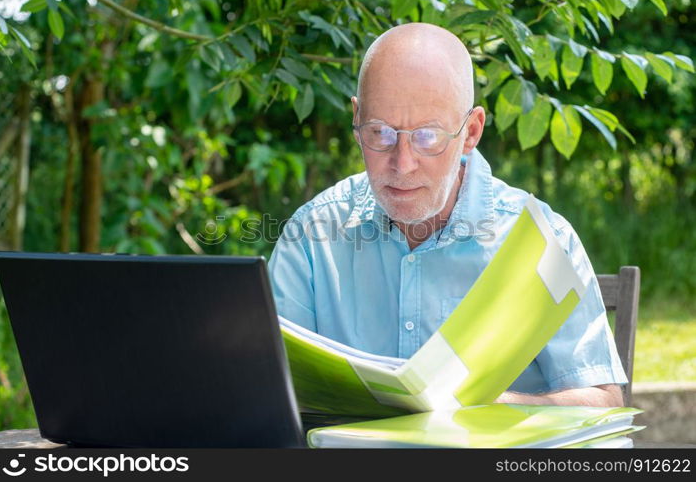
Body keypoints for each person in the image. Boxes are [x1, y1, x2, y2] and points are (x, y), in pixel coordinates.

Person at [268, 23, 627, 407]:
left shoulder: (542, 240)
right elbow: (267, 390)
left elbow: (604, 405)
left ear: (471, 131)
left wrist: (491, 406)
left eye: (427, 136)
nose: (402, 164)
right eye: (381, 133)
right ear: (356, 122)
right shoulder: (311, 235)